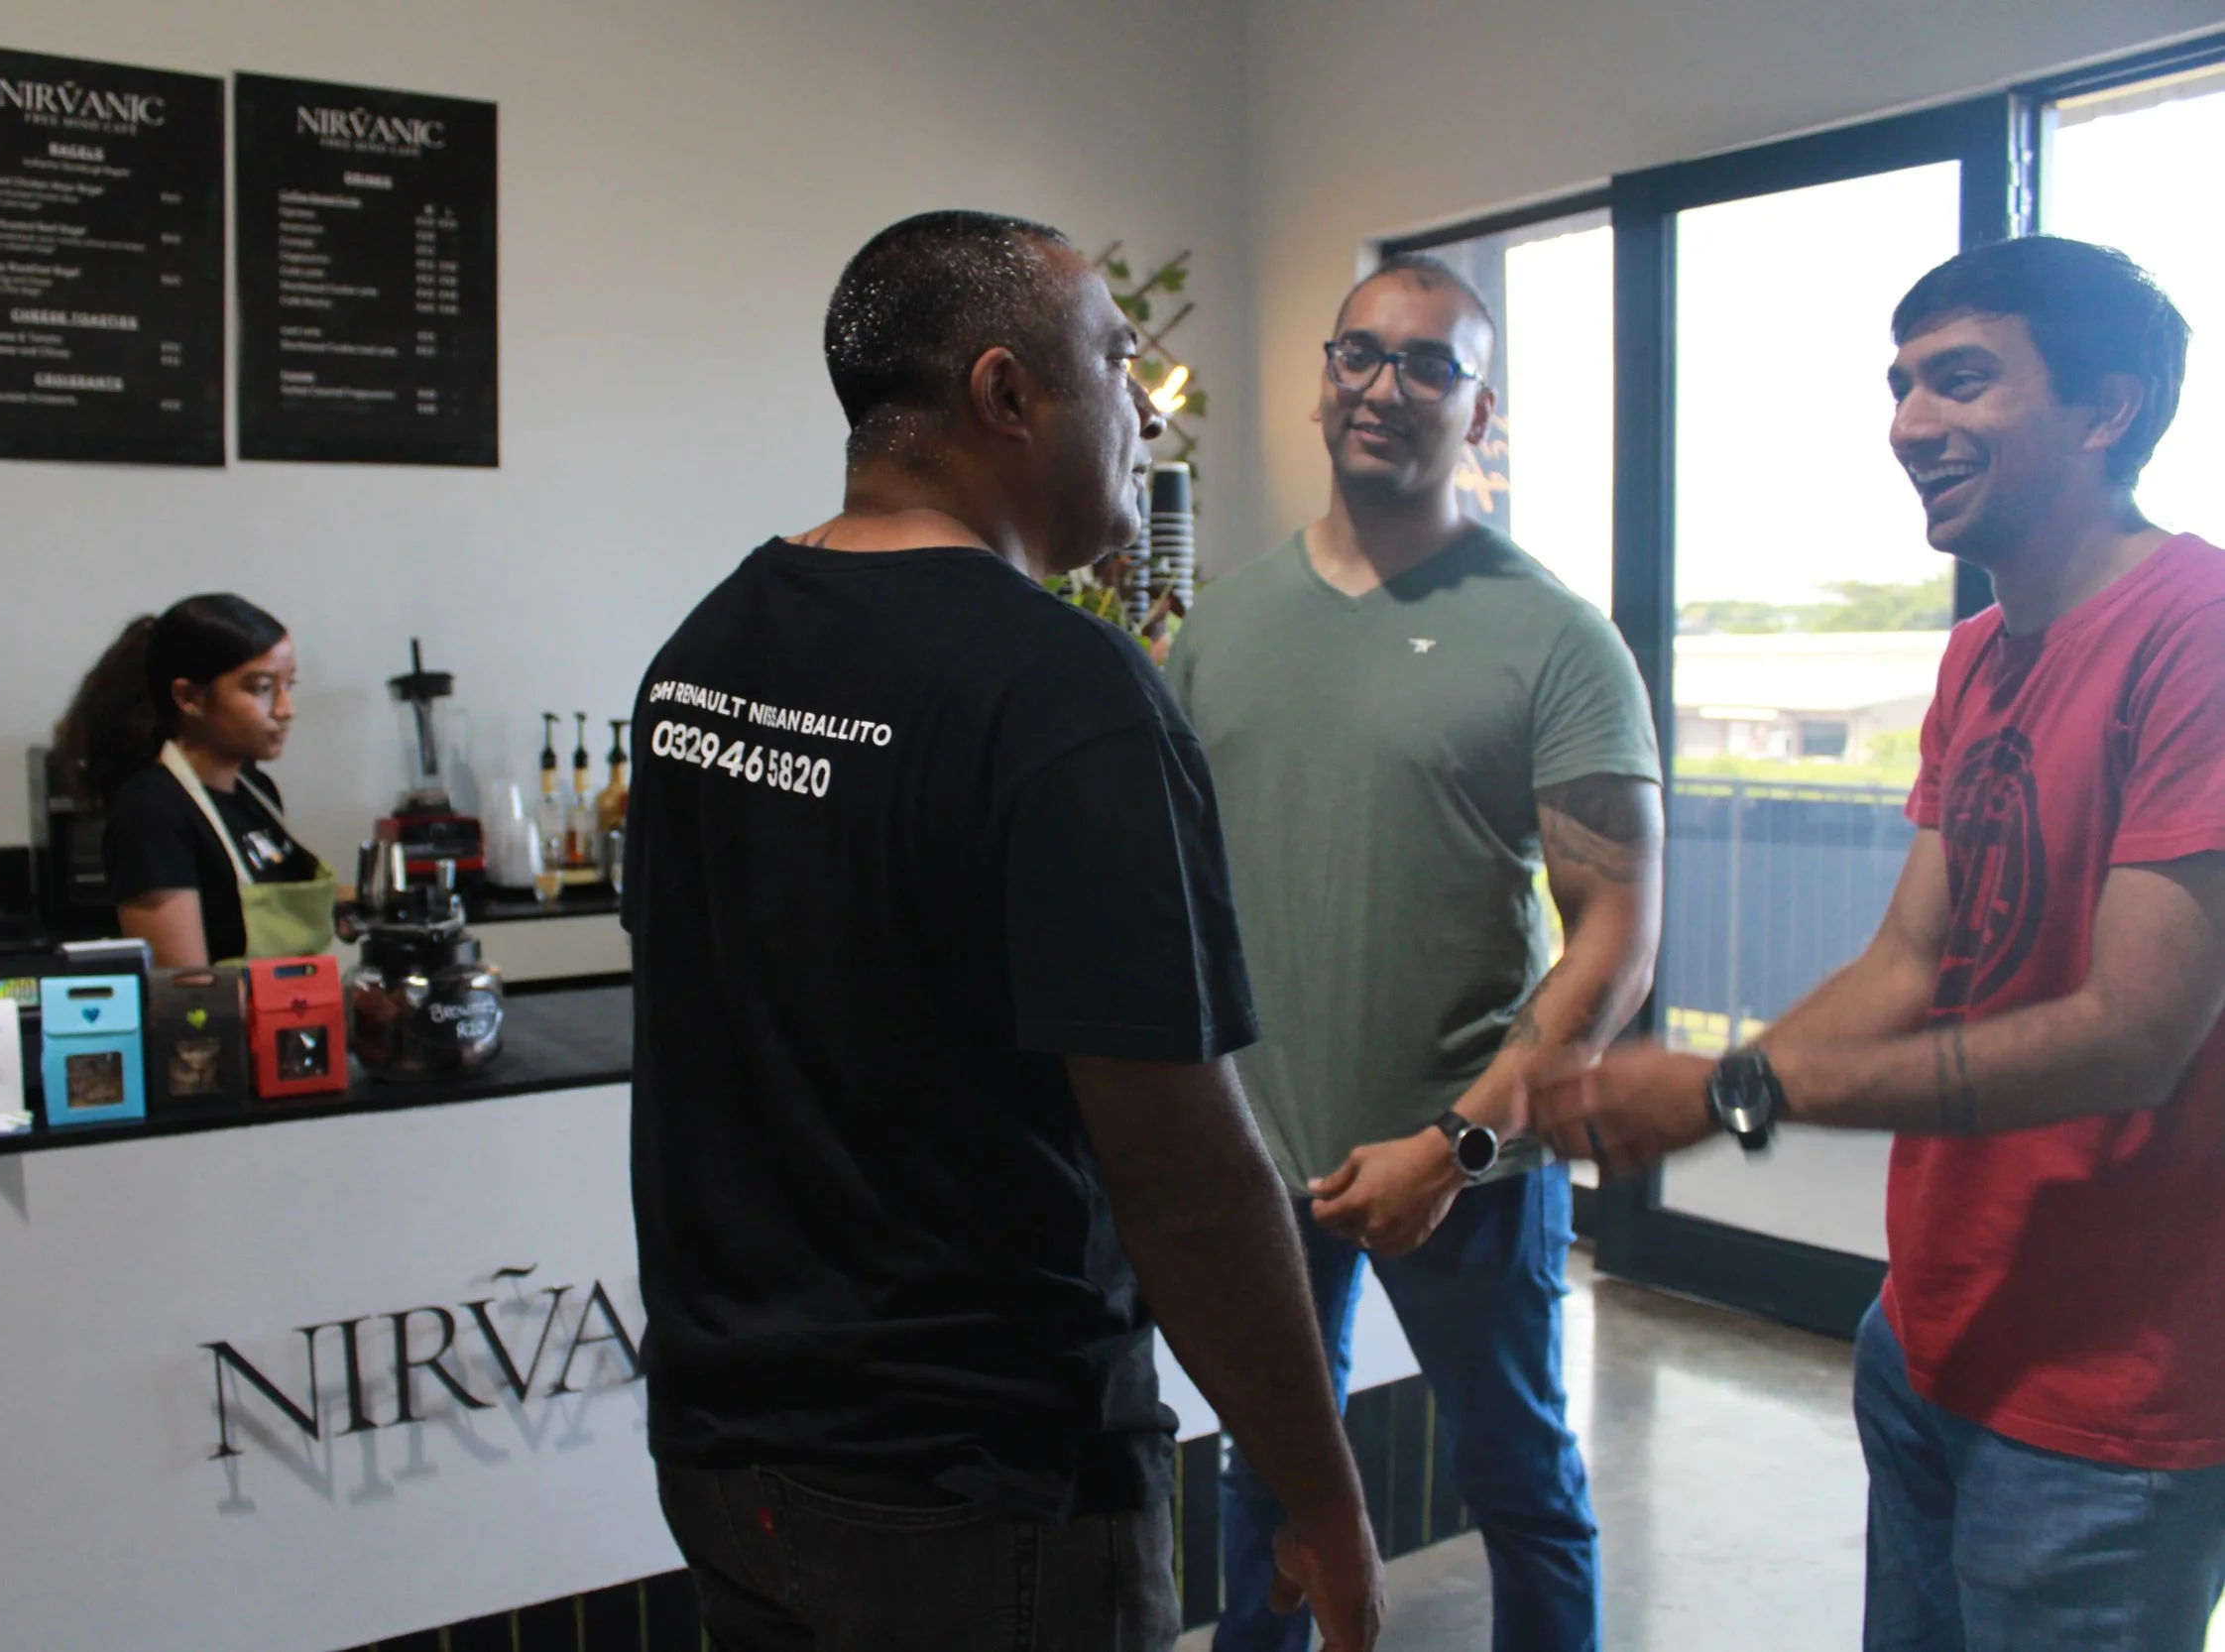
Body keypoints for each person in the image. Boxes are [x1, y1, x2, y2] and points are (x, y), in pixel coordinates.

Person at [619, 210, 1383, 1652]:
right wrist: (1321, 1491)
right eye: (1117, 361)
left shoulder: (707, 653)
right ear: (1005, 393)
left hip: (731, 1452)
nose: (1143, 414)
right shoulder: (1063, 695)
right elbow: (1189, 1173)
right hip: (977, 1492)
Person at [1531, 237, 2225, 1651]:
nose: (1910, 424)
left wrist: (1740, 1093)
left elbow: (2133, 1033)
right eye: (1901, 385)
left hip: (2105, 1398)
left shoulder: (2196, 635)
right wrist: (1706, 1087)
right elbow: (1910, 959)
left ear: (2109, 407)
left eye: (1961, 380)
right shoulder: (1980, 653)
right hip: (1930, 1332)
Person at [1165, 252, 1663, 1652]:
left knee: (1521, 1485)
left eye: (1432, 364)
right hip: (1263, 1158)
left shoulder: (1555, 638)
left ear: (1481, 413)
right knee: (1266, 1482)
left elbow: (1616, 928)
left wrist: (1458, 1145)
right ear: (1324, 382)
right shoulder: (1225, 628)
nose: (1388, 388)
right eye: (1360, 355)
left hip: (1472, 1156)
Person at [56, 593, 335, 968]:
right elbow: (186, 991)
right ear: (190, 697)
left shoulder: (256, 790)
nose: (286, 710)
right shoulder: (153, 812)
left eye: (289, 685)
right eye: (260, 688)